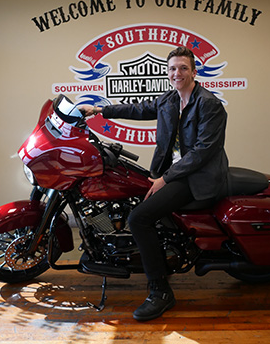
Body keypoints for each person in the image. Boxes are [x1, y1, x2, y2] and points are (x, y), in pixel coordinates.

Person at [79, 46, 229, 321]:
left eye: (183, 68)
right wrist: (98, 109)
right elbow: (137, 109)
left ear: (194, 72)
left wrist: (165, 178)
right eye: (172, 69)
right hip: (174, 172)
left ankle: (160, 291)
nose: (177, 73)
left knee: (138, 219)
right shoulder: (170, 99)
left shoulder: (208, 104)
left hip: (196, 178)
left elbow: (202, 152)